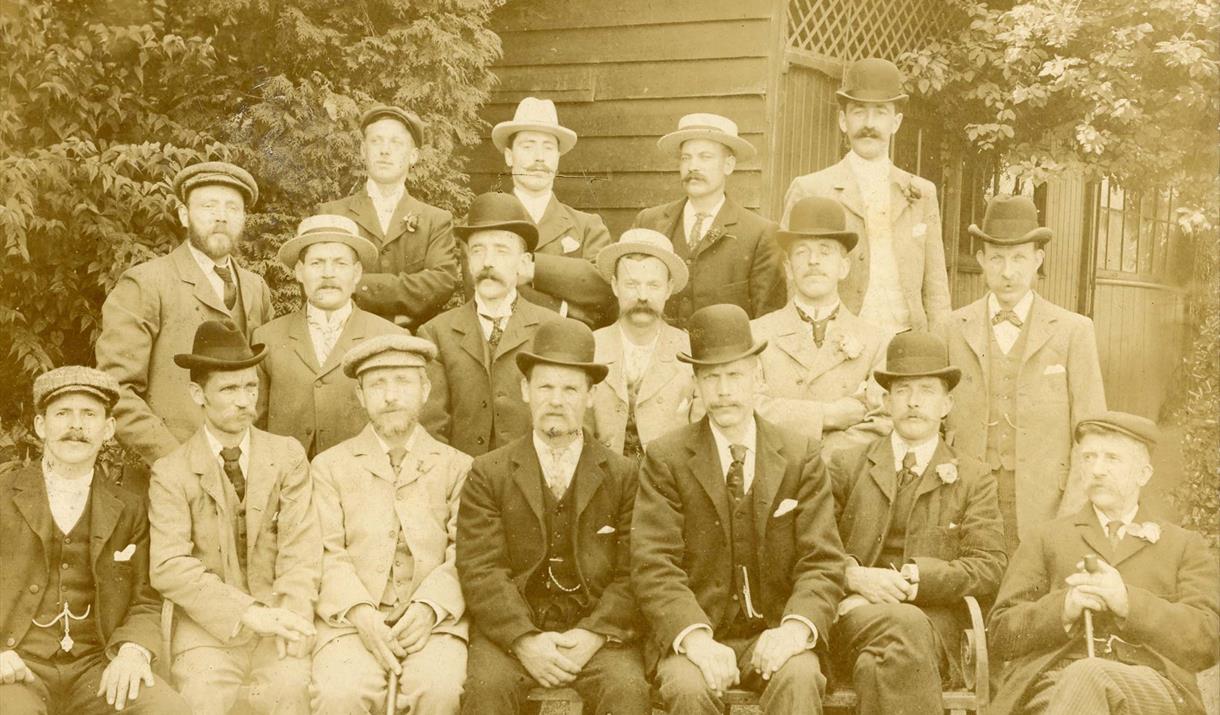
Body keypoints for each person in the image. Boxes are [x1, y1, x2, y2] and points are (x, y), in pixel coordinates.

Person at [632, 304, 846, 714]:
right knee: (686, 688)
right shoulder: (667, 458)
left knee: (801, 675)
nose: (724, 391)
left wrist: (793, 629)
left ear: (757, 377)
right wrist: (696, 640)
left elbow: (822, 561)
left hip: (775, 631)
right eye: (711, 378)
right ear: (695, 384)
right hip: (698, 634)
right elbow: (653, 564)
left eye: (735, 376)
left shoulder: (800, 454)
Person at [457, 318, 649, 714]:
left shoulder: (624, 475)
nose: (556, 400)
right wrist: (524, 639)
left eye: (570, 389)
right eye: (545, 386)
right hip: (513, 635)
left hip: (595, 632)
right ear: (525, 390)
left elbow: (634, 570)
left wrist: (593, 634)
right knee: (485, 690)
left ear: (591, 396)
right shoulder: (488, 472)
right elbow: (480, 569)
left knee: (627, 690)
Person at [988, 411, 1219, 714]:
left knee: (1087, 674)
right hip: (1054, 687)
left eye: (1111, 458)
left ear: (1143, 474)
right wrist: (1064, 608)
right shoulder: (1046, 537)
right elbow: (1001, 633)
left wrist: (1126, 601)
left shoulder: (1182, 545)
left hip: (1151, 689)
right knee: (1079, 679)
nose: (1097, 469)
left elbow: (1208, 640)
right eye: (1088, 458)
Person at [827, 331, 1006, 715]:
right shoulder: (847, 465)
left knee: (877, 665)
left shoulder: (973, 477)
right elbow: (810, 547)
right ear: (886, 401)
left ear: (946, 404)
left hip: (932, 629)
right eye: (903, 389)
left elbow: (989, 566)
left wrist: (915, 580)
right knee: (893, 643)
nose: (913, 401)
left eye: (926, 390)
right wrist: (854, 576)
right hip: (852, 619)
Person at [148, 320, 321, 715]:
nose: (245, 401)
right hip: (207, 630)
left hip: (281, 619)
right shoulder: (171, 471)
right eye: (228, 389)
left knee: (291, 690)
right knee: (200, 697)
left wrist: (291, 617)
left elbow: (302, 549)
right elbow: (170, 566)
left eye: (251, 387)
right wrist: (246, 613)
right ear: (198, 394)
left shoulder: (288, 456)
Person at [0, 367, 189, 714]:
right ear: (41, 426)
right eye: (63, 414)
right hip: (17, 667)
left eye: (89, 414)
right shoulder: (3, 496)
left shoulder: (131, 505)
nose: (76, 426)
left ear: (109, 430)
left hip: (98, 667)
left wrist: (133, 649)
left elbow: (147, 596)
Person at [309, 334, 470, 715]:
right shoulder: (329, 466)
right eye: (378, 384)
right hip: (350, 622)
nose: (391, 396)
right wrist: (361, 613)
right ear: (361, 396)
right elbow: (325, 552)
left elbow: (466, 552)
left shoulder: (458, 466)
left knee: (438, 689)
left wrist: (431, 607)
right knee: (339, 692)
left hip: (434, 622)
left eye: (403, 381)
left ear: (425, 389)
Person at [942, 195, 1106, 551]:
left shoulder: (1073, 330)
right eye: (997, 258)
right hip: (965, 496)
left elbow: (1092, 434)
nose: (1008, 271)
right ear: (981, 260)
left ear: (1037, 261)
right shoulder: (952, 327)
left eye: (1019, 258)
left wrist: (1072, 512)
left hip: (1043, 500)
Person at [96, 161, 274, 468]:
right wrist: (176, 461)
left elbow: (267, 383)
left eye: (232, 207)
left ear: (243, 218)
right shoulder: (147, 282)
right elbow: (116, 390)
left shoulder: (255, 287)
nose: (221, 216)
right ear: (183, 214)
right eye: (208, 205)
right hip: (168, 475)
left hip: (245, 472)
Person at [781, 58, 950, 335]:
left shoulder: (922, 193)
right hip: (839, 340)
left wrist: (939, 347)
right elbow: (790, 280)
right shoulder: (810, 189)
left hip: (906, 342)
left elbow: (936, 289)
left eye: (880, 113)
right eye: (859, 112)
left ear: (896, 122)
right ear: (843, 120)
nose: (869, 124)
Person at [252, 214, 403, 457]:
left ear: (356, 274)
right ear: (299, 272)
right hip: (288, 482)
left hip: (361, 483)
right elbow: (254, 426)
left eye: (340, 264)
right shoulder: (267, 338)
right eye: (317, 263)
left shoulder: (388, 338)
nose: (328, 273)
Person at [418, 192, 557, 456]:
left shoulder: (549, 328)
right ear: (468, 262)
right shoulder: (436, 333)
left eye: (501, 250)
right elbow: (431, 428)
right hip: (463, 482)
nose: (488, 262)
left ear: (524, 263)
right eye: (478, 250)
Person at [752, 196, 890, 457]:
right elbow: (748, 409)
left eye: (825, 251)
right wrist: (826, 415)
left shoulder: (876, 341)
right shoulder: (756, 335)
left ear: (844, 267)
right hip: (772, 475)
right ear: (788, 268)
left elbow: (882, 422)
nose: (813, 261)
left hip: (842, 484)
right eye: (802, 252)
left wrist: (820, 463)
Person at [632, 113, 786, 328]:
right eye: (686, 158)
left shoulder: (760, 233)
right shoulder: (650, 221)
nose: (693, 166)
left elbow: (768, 320)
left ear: (729, 165)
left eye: (705, 157)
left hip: (724, 360)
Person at [320, 105, 459, 330]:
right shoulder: (332, 214)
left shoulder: (436, 220)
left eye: (396, 143)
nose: (385, 150)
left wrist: (358, 285)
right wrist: (396, 313)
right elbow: (322, 285)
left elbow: (441, 283)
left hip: (411, 340)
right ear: (363, 151)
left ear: (413, 156)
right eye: (376, 141)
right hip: (343, 340)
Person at [489, 96, 616, 328]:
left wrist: (534, 268)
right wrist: (564, 310)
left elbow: (604, 288)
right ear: (509, 156)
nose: (539, 157)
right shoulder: (488, 220)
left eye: (548, 147)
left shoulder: (587, 225)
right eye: (528, 146)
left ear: (558, 158)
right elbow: (483, 290)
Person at [590, 228, 698, 459]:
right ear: (614, 286)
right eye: (631, 284)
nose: (642, 296)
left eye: (653, 285)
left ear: (668, 289)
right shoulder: (591, 347)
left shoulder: (689, 351)